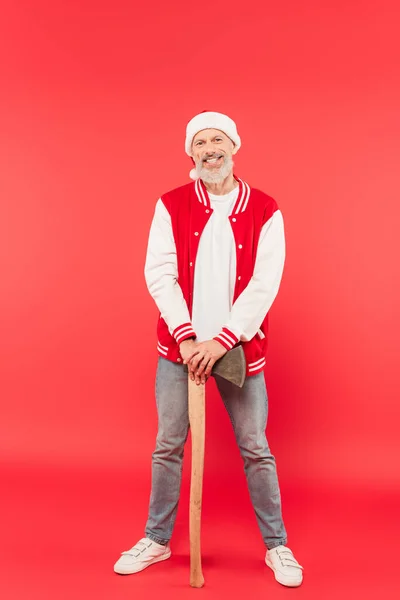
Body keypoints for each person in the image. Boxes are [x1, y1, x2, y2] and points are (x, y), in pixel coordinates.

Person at [113, 111, 304, 587]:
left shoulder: (266, 208)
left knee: (256, 447)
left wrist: (222, 338)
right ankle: (156, 539)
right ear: (190, 152)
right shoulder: (171, 204)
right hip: (182, 347)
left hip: (237, 346)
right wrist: (188, 336)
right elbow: (159, 272)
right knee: (168, 445)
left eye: (217, 139)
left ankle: (277, 546)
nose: (209, 149)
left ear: (234, 146)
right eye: (200, 143)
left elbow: (266, 281)